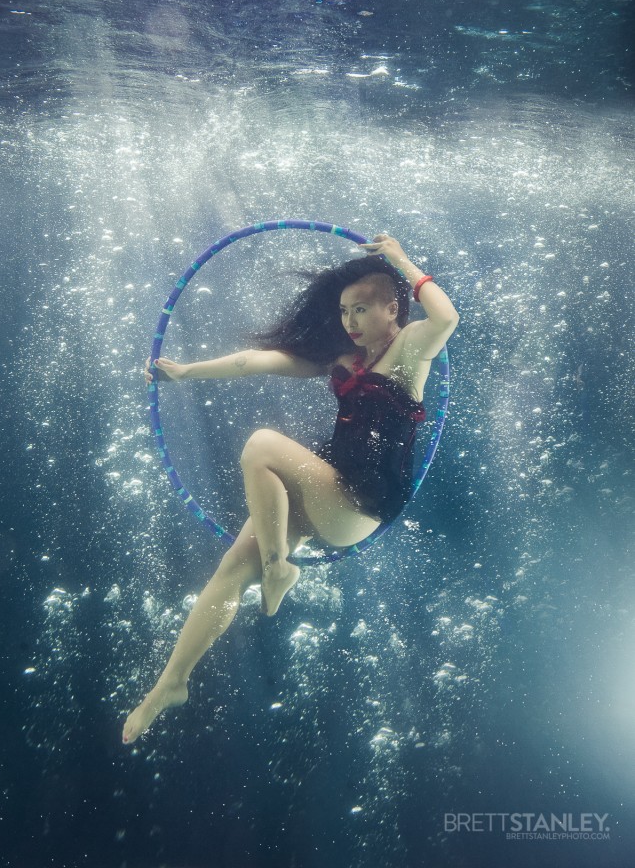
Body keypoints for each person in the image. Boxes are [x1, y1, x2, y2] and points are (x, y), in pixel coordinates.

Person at [122, 234, 459, 744]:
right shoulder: (346, 359)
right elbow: (257, 361)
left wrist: (400, 259)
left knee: (260, 446)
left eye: (362, 309)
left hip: (359, 506)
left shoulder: (412, 350)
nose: (349, 321)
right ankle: (170, 685)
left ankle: (280, 568)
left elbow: (447, 318)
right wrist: (186, 373)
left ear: (394, 308)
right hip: (327, 491)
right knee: (232, 568)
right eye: (345, 310)